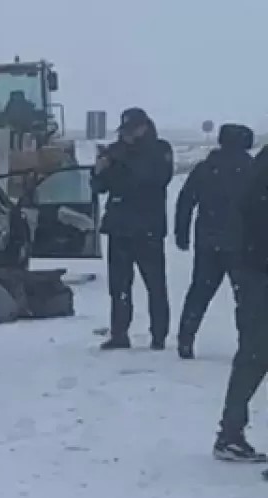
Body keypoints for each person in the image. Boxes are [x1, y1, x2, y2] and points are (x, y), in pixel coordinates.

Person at [90, 107, 175, 350]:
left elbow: (155, 179)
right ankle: (119, 332)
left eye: (132, 129)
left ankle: (158, 335)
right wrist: (100, 169)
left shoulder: (160, 149)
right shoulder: (115, 150)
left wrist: (119, 164)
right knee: (119, 287)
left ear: (144, 127)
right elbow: (99, 187)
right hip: (119, 227)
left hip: (148, 227)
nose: (127, 135)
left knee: (155, 285)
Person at [174, 124, 256, 359]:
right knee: (246, 299)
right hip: (242, 244)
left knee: (199, 292)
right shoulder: (253, 170)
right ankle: (248, 345)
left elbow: (185, 201)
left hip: (208, 242)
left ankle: (185, 340)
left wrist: (182, 233)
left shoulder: (205, 168)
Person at [214, 140, 268, 463]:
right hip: (259, 272)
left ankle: (230, 433)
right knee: (254, 354)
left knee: (254, 355)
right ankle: (230, 433)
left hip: (254, 270)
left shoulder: (258, 166)